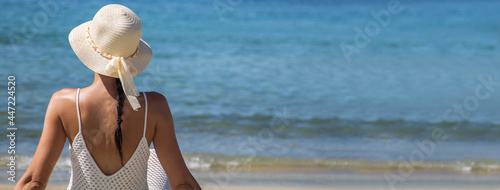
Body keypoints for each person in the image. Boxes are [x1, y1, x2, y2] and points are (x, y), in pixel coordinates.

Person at [15, 4, 201, 190]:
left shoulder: (63, 103)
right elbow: (183, 184)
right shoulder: (155, 106)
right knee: (155, 161)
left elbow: (34, 183)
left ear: (90, 49)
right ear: (133, 55)